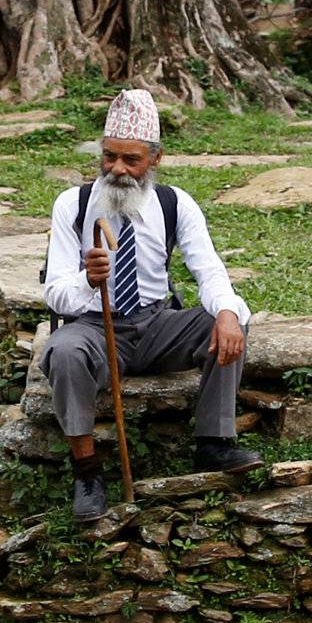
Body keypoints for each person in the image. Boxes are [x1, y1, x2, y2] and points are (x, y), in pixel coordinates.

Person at [41, 86, 256, 524]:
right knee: (62, 350)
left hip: (157, 324)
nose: (118, 169)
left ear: (154, 159)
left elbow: (210, 271)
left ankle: (213, 442)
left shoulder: (175, 204)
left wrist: (228, 313)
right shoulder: (73, 204)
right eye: (110, 157)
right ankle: (87, 474)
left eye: (131, 160)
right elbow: (55, 292)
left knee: (227, 318)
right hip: (95, 327)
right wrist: (89, 280)